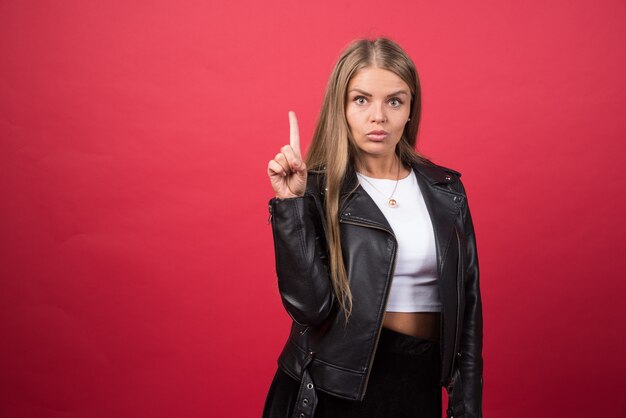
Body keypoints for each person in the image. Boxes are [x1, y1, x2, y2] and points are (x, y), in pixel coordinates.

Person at [263, 38, 483, 418]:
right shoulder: (316, 189)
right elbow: (309, 308)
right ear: (342, 108)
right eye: (361, 100)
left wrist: (467, 407)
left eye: (394, 101)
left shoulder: (446, 191)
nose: (378, 116)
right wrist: (291, 205)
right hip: (330, 390)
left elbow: (469, 306)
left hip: (416, 384)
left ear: (410, 109)